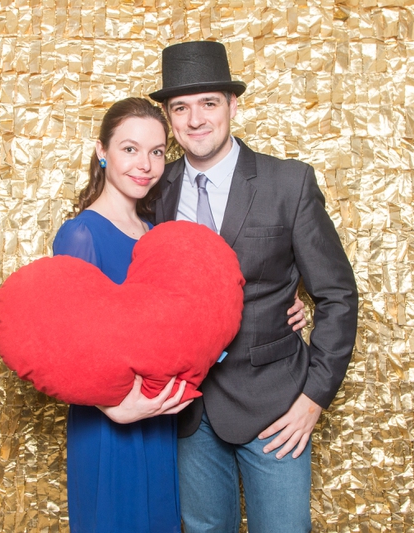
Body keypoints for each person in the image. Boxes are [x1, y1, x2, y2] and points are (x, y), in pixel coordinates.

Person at [51, 97, 309, 532]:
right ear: (101, 151)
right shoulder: (80, 235)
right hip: (113, 425)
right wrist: (113, 408)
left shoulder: (156, 230)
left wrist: (279, 300)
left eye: (156, 151)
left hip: (161, 422)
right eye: (129, 149)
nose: (145, 164)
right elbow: (61, 342)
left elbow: (191, 311)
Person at [149, 41, 359, 532]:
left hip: (275, 405)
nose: (195, 119)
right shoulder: (155, 188)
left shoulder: (289, 183)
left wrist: (314, 399)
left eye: (208, 103)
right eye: (180, 107)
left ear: (233, 105)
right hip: (187, 409)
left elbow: (337, 295)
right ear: (169, 117)